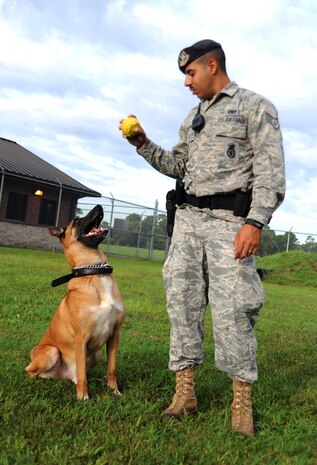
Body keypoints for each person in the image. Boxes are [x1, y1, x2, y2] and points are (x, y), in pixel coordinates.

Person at [119, 39, 285, 437]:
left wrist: (255, 221)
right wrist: (142, 144)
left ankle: (241, 403)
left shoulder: (254, 106)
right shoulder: (191, 118)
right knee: (182, 304)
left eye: (190, 73)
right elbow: (178, 165)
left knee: (233, 311)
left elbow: (270, 171)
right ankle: (185, 393)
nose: (187, 82)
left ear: (213, 65)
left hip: (231, 222)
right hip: (188, 221)